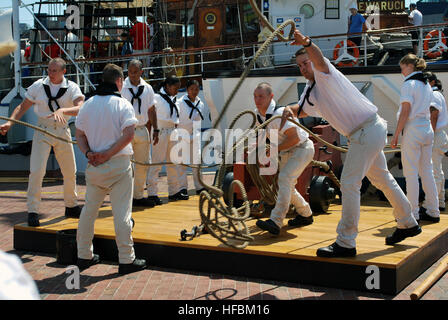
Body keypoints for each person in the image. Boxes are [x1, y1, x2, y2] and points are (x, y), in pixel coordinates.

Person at [281, 29, 420, 257]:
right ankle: (408, 222)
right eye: (300, 66)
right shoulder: (311, 88)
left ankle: (346, 242)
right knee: (382, 178)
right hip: (368, 131)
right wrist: (290, 110)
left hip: (365, 131)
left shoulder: (326, 74)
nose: (304, 68)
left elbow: (317, 57)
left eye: (306, 63)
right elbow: (303, 109)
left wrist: (307, 42)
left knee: (349, 183)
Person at [75, 63, 147, 275]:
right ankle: (126, 259)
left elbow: (79, 134)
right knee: (122, 214)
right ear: (118, 81)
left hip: (94, 165)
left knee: (88, 212)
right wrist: (108, 154)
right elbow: (129, 134)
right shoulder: (123, 105)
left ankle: (83, 256)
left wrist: (89, 153)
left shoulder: (87, 105)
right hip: (118, 166)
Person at [0, 58, 84, 227]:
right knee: (37, 171)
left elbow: (81, 108)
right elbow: (21, 107)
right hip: (43, 130)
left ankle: (71, 205)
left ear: (63, 72)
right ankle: (33, 210)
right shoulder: (38, 86)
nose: (50, 74)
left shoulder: (72, 88)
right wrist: (10, 123)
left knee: (70, 171)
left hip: (62, 129)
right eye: (49, 70)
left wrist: (63, 110)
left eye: (54, 71)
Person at [253, 82, 314, 235]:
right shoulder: (258, 115)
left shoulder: (279, 113)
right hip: (286, 151)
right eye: (255, 96)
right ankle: (306, 214)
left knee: (284, 178)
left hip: (301, 148)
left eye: (261, 96)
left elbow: (293, 138)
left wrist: (272, 150)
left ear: (271, 97)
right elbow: (262, 136)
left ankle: (276, 220)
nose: (257, 100)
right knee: (288, 186)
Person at [391, 55, 440, 223]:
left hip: (413, 129)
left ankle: (413, 213)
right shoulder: (426, 84)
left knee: (410, 173)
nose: (401, 71)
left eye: (402, 67)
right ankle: (433, 210)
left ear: (409, 66)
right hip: (427, 129)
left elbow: (405, 111)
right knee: (427, 171)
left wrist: (396, 134)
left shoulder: (409, 84)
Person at [121, 59, 158, 207]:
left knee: (143, 165)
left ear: (141, 72)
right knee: (125, 166)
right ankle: (125, 197)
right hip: (126, 129)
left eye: (136, 72)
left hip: (142, 129)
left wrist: (156, 129)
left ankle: (138, 196)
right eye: (130, 72)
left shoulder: (147, 88)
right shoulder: (122, 87)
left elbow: (151, 110)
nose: (133, 75)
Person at [146, 75, 188, 204]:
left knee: (173, 162)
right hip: (161, 130)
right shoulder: (156, 97)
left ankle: (174, 191)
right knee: (157, 162)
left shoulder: (173, 98)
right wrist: (154, 131)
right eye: (175, 88)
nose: (176, 91)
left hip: (172, 130)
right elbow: (150, 114)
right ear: (167, 86)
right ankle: (152, 193)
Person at [177, 80, 206, 195]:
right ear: (187, 89)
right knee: (182, 163)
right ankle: (182, 188)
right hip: (182, 135)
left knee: (197, 162)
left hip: (195, 136)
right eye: (192, 89)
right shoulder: (180, 103)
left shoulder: (201, 104)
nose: (194, 91)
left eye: (196, 89)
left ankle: (200, 186)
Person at [424, 72, 448, 211]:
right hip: (440, 135)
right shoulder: (437, 94)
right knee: (437, 171)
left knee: (434, 172)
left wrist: (429, 136)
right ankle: (440, 201)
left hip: (435, 135)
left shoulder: (432, 95)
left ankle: (431, 205)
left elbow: (433, 114)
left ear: (432, 82)